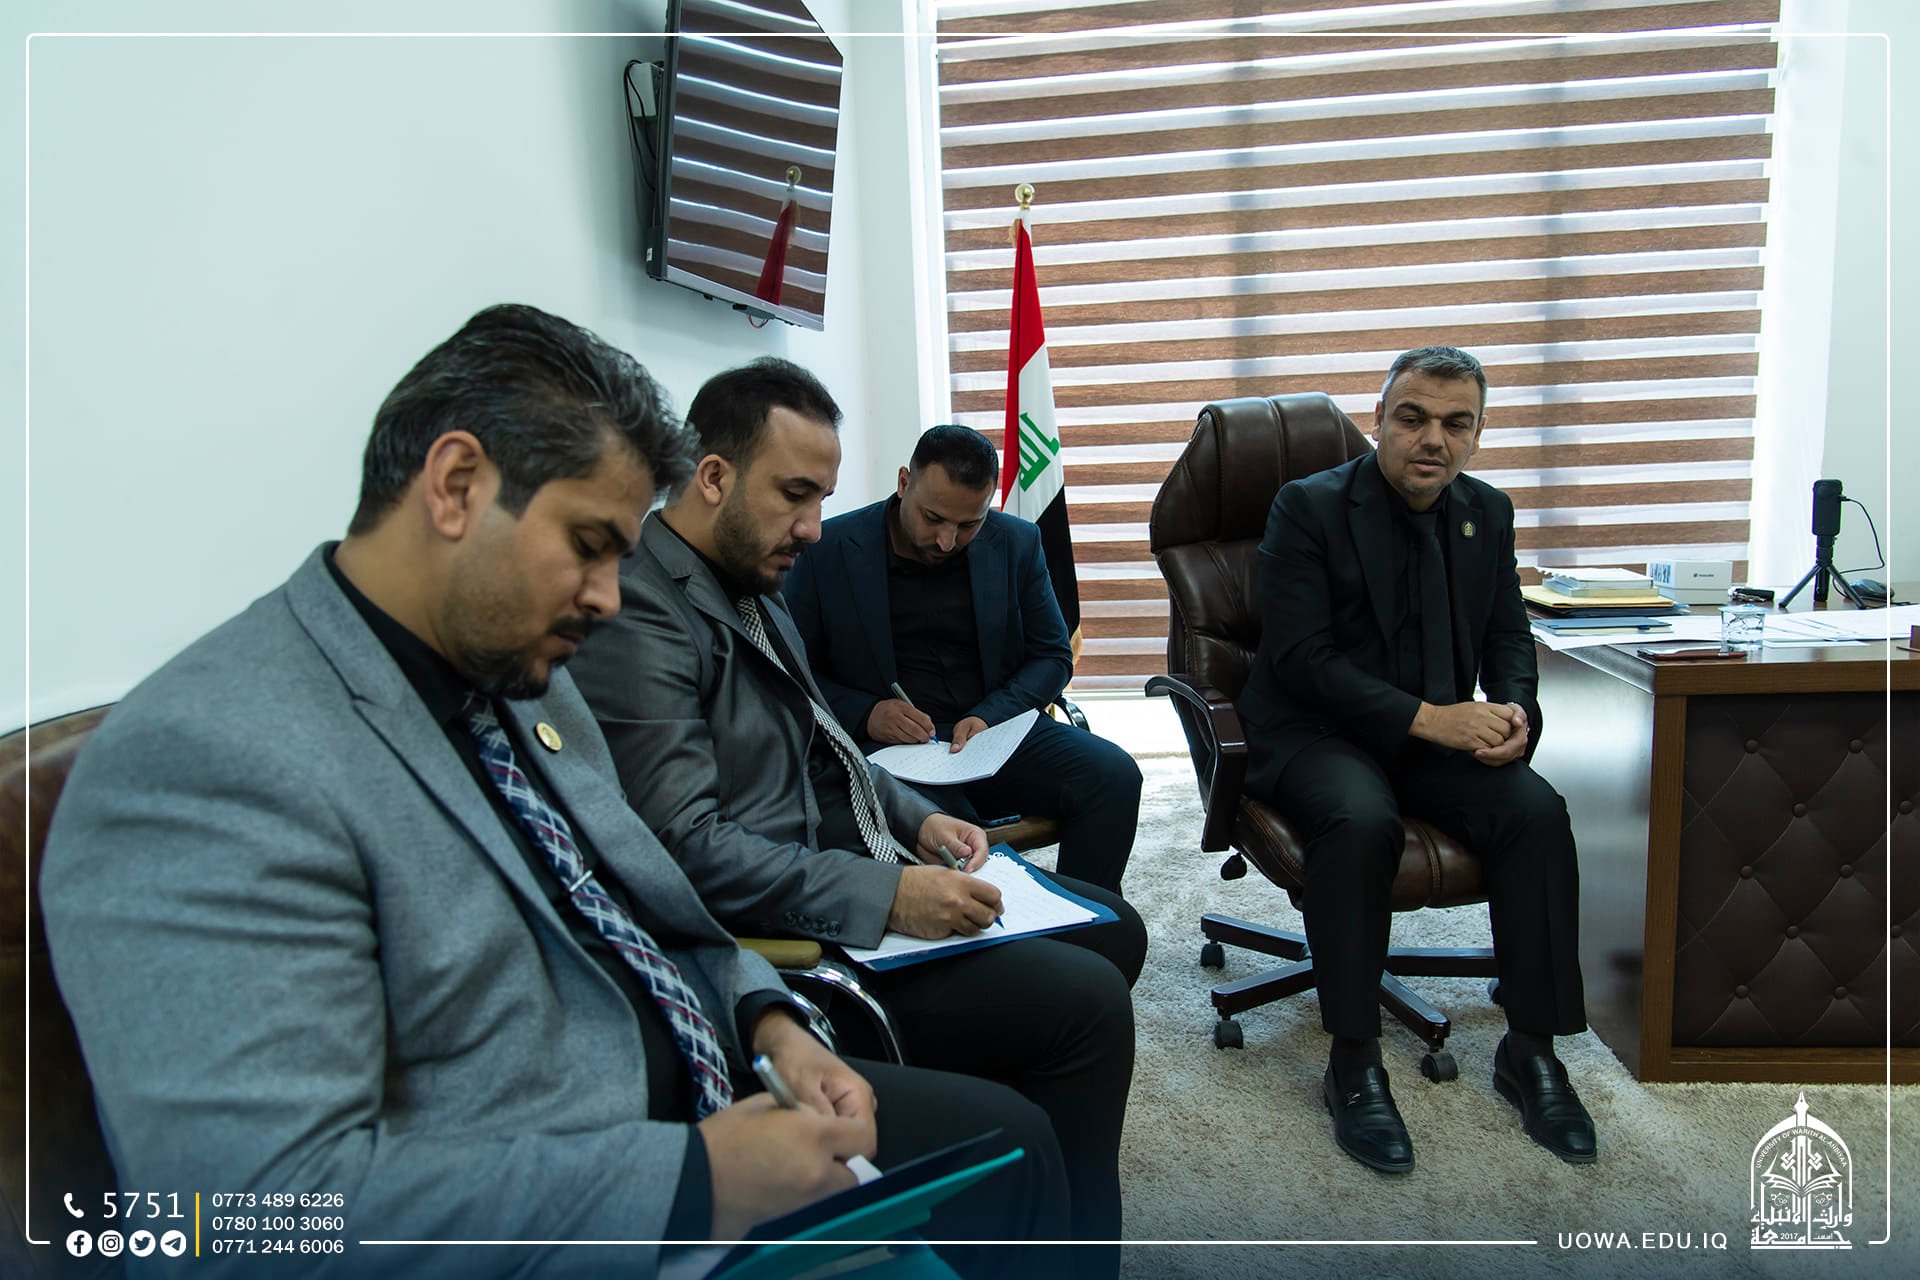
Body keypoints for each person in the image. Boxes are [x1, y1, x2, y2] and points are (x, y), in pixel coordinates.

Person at [38, 305, 1069, 1278]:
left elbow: (647, 905)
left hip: (710, 1087)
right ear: (455, 485)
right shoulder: (204, 760)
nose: (610, 598)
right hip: (576, 1199)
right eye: (588, 546)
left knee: (1014, 1152)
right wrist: (691, 1183)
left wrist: (768, 1021)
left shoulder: (521, 673)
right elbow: (245, 1219)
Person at [566, 358, 1144, 1274]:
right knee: (1089, 1008)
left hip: (854, 865)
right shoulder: (642, 610)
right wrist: (890, 895)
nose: (813, 527)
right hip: (804, 937)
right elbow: (685, 849)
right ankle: (1070, 1241)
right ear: (712, 477)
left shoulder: (749, 581)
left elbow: (823, 745)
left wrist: (918, 823)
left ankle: (1054, 1187)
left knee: (1114, 929)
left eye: (822, 500)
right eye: (795, 495)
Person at [1236, 346, 1595, 1175]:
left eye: (1456, 423)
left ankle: (1532, 1049)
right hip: (1316, 729)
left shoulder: (1487, 511)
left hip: (1432, 734)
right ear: (1380, 421)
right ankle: (1354, 1061)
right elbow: (1301, 659)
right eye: (1414, 417)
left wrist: (1515, 716)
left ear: (1477, 434)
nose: (1433, 438)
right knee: (1361, 820)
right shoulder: (1308, 506)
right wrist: (1433, 719)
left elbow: (1508, 632)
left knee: (1537, 811)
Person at [782, 424, 1141, 893]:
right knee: (948, 828)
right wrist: (866, 713)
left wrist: (991, 714)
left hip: (993, 735)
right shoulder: (825, 550)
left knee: (1114, 776)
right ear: (904, 482)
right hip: (890, 753)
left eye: (969, 524)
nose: (947, 540)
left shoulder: (1017, 542)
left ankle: (1083, 916)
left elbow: (1053, 656)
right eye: (933, 518)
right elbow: (791, 670)